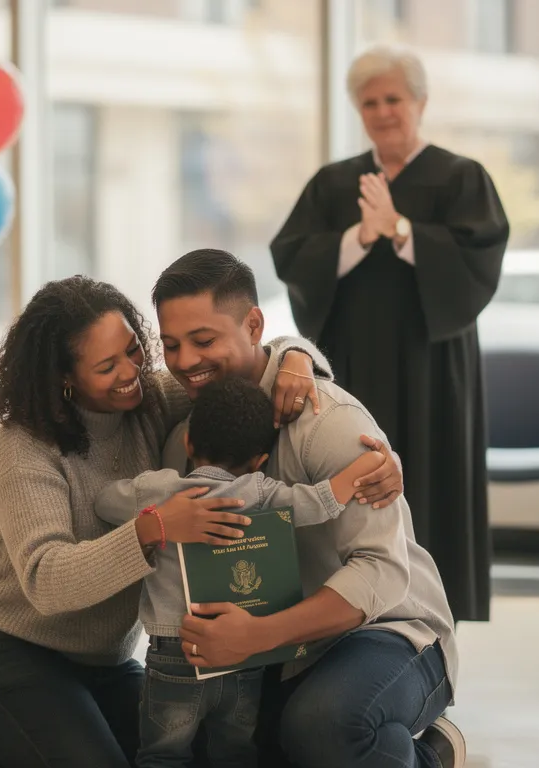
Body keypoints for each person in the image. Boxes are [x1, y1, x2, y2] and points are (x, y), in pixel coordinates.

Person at [0, 276, 404, 768]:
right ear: (64, 379)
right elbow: (47, 581)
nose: (131, 371)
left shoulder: (148, 401)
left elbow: (242, 368)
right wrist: (153, 527)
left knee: (199, 757)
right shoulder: (26, 446)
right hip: (5, 653)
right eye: (107, 365)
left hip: (107, 664)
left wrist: (298, 357)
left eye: (133, 349)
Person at [153, 249, 466, 768]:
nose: (186, 361)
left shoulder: (329, 422)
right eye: (171, 346)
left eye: (204, 340)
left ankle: (428, 756)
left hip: (387, 629)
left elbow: (382, 572)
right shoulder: (181, 433)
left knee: (323, 725)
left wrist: (258, 635)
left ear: (254, 324)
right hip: (270, 653)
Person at [269, 44, 510, 623]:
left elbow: (478, 264)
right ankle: (351, 611)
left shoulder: (460, 178)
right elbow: (292, 257)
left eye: (393, 99)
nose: (383, 111)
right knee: (357, 478)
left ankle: (433, 625)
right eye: (369, 102)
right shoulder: (335, 183)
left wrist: (400, 228)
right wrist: (359, 235)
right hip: (356, 366)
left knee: (429, 483)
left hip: (434, 366)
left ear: (420, 102)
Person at [95, 376, 386, 768]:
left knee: (162, 755)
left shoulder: (158, 490)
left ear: (188, 444)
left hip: (174, 653)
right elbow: (323, 502)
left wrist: (154, 516)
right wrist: (376, 462)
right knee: (234, 754)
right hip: (243, 657)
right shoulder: (261, 493)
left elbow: (103, 501)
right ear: (260, 461)